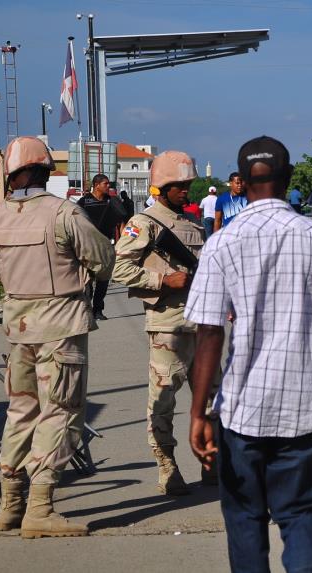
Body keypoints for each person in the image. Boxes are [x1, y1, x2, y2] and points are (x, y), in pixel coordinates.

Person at [186, 136, 312, 573]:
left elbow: (209, 333)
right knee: (301, 514)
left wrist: (199, 411)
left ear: (242, 182)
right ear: (289, 180)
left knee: (245, 517)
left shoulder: (221, 244)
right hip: (305, 409)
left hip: (242, 412)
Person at [0, 136, 115, 538]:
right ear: (46, 170)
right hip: (61, 328)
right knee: (60, 412)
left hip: (18, 329)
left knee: (20, 413)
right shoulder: (64, 213)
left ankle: (10, 505)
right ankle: (40, 509)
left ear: (10, 173)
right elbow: (103, 261)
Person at [112, 150, 213, 495]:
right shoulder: (145, 223)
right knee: (164, 399)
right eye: (179, 185)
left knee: (214, 398)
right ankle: (167, 468)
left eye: (188, 184)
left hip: (204, 322)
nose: (186, 190)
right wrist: (162, 280)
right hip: (168, 323)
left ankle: (212, 465)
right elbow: (119, 268)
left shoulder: (194, 224)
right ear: (161, 187)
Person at [78, 173, 126, 320]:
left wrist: (124, 242)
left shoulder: (112, 201)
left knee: (103, 279)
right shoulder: (84, 202)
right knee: (88, 280)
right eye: (105, 184)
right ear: (97, 185)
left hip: (106, 245)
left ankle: (98, 310)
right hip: (88, 246)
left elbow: (122, 222)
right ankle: (87, 309)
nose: (108, 186)